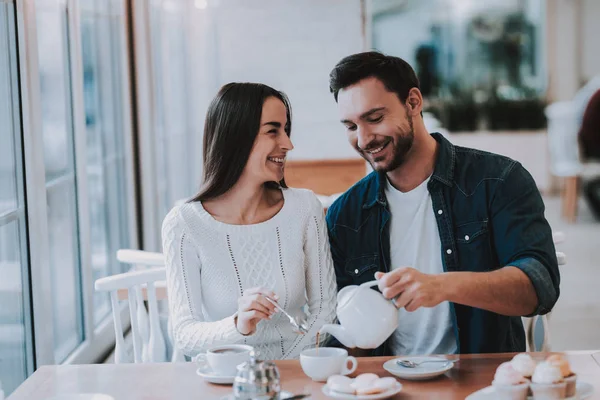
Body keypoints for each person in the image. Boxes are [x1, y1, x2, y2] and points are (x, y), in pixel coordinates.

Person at [325, 52, 560, 356]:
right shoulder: (346, 214)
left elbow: (539, 287)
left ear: (413, 102)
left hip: (484, 382)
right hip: (386, 385)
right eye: (351, 126)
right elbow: (343, 328)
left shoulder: (498, 180)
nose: (364, 138)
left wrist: (443, 286)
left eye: (375, 118)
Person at [162, 82, 337, 360]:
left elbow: (325, 311)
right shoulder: (183, 224)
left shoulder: (305, 207)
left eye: (286, 129)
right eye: (273, 131)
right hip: (223, 380)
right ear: (235, 137)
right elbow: (184, 335)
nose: (288, 144)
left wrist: (283, 367)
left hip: (294, 374)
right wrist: (238, 325)